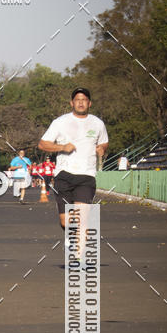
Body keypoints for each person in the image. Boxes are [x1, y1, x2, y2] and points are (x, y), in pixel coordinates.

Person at [38, 87, 108, 236]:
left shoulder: (98, 123)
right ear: (71, 103)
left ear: (90, 103)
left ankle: (79, 258)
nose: (81, 103)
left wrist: (102, 148)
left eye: (84, 100)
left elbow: (104, 142)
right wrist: (62, 147)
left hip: (86, 176)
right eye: (77, 100)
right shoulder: (60, 122)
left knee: (81, 219)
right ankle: (73, 237)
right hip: (64, 175)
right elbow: (43, 144)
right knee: (66, 222)